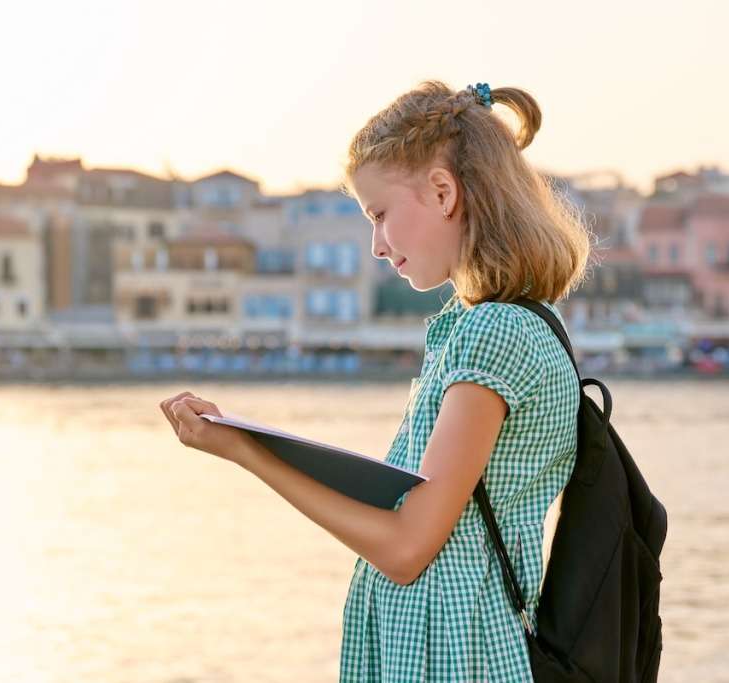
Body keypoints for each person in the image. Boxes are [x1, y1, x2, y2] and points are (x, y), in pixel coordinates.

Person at [160, 79, 592, 682]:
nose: (376, 245)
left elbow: (407, 547)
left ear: (443, 192)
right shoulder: (482, 327)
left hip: (454, 658)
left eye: (380, 214)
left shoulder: (494, 333)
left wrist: (245, 452)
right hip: (448, 647)